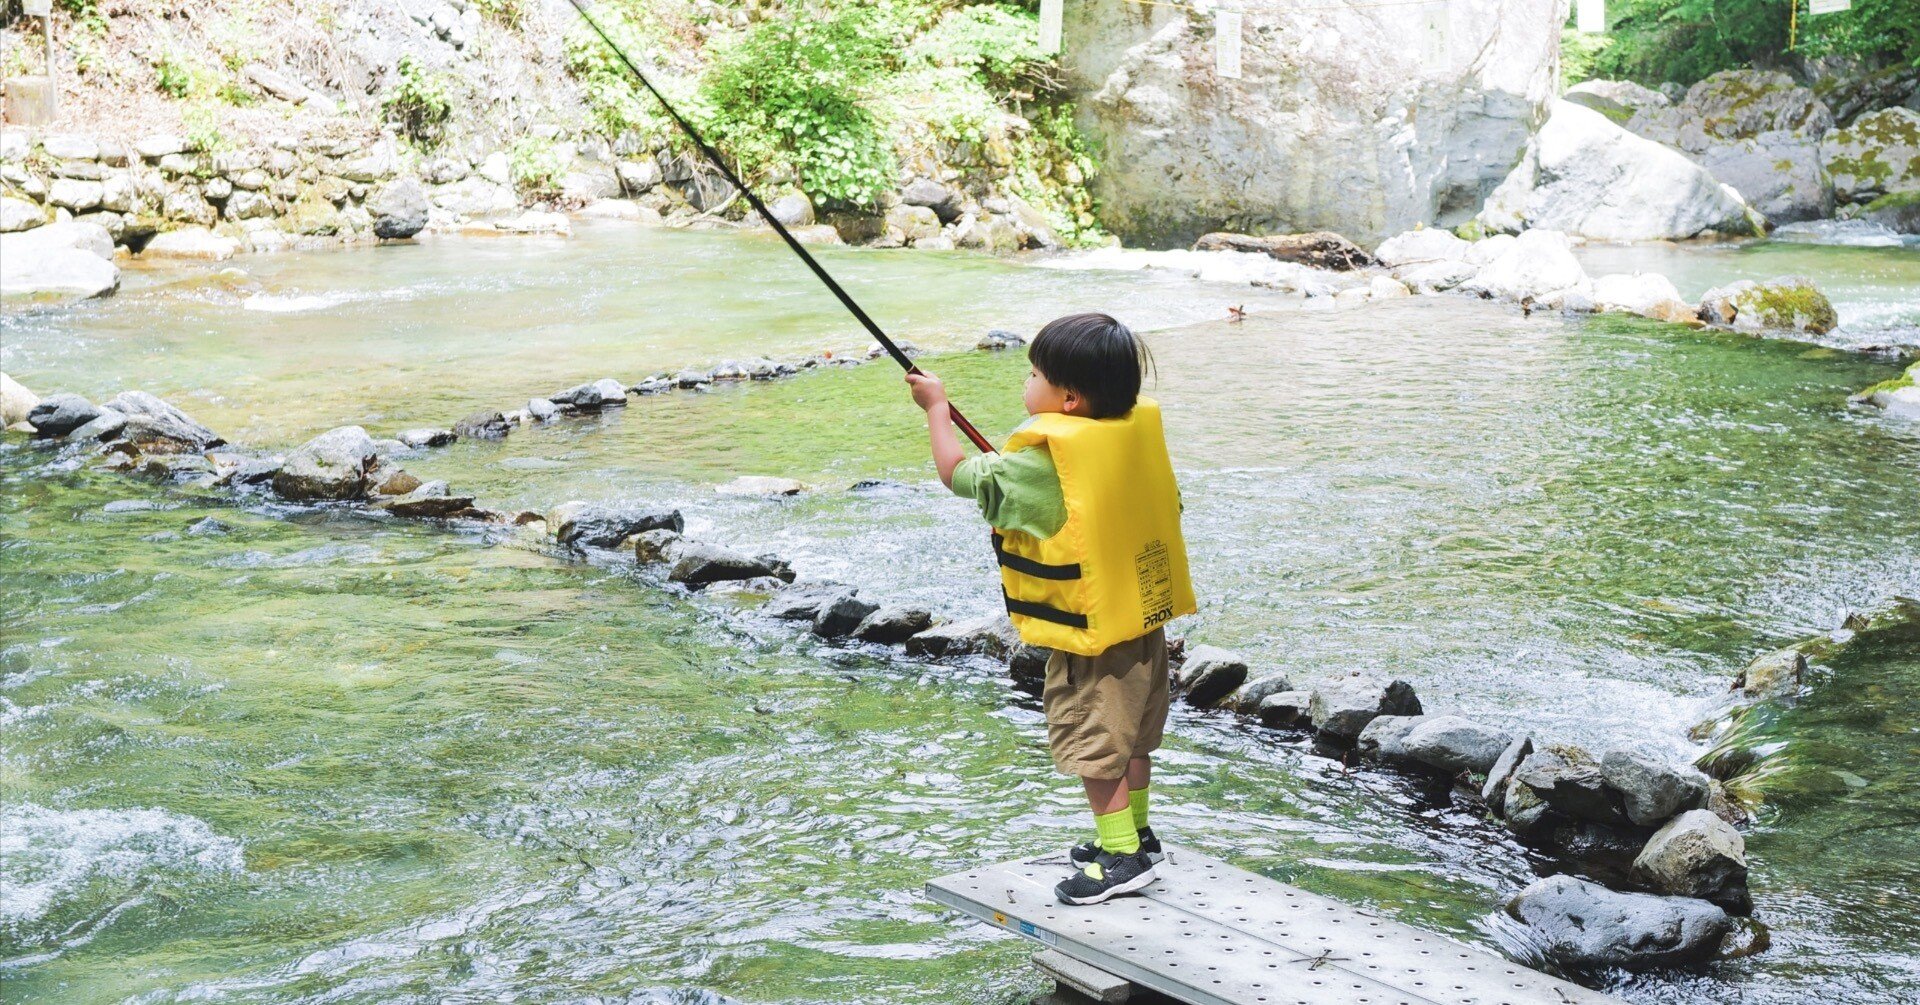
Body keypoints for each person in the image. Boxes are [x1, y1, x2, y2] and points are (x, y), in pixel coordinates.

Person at [905, 312, 1195, 906]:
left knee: (1093, 747)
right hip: (1142, 622)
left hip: (1090, 638)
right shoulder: (1129, 435)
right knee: (1133, 741)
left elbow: (956, 473)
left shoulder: (1040, 463)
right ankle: (1138, 834)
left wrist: (937, 408)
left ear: (1067, 399)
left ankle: (1121, 856)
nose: (1025, 381)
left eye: (1033, 372)